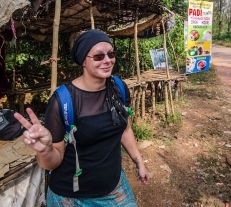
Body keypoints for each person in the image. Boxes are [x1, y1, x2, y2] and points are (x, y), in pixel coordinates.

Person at [14, 29, 149, 207]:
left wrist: (139, 162)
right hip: (71, 197)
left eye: (111, 54)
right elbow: (53, 162)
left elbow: (125, 129)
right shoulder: (62, 101)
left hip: (114, 188)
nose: (108, 60)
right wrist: (45, 150)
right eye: (99, 56)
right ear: (83, 61)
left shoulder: (119, 89)